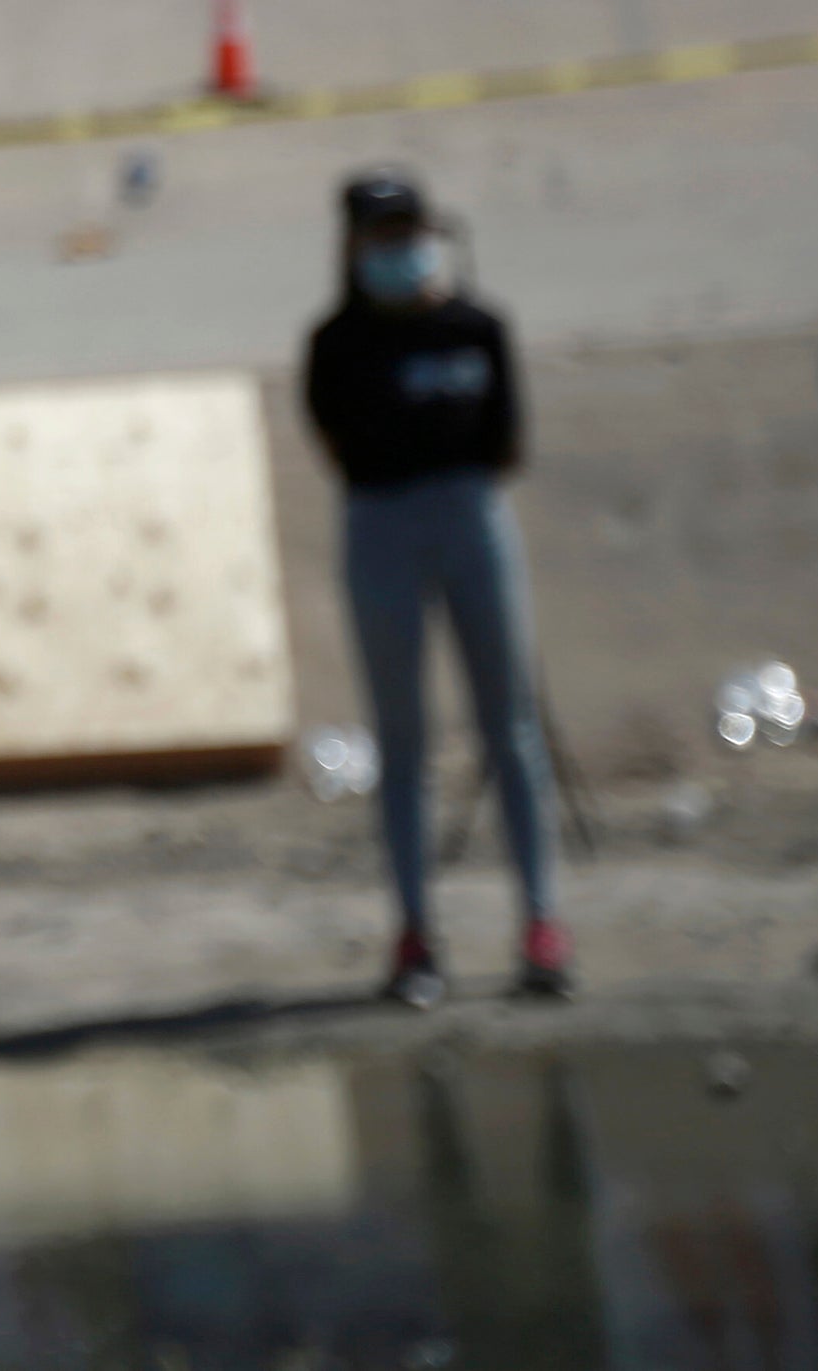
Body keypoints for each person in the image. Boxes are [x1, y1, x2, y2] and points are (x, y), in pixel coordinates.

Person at [300, 165, 571, 1008]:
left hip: (472, 514)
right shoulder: (335, 345)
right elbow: (338, 446)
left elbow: (505, 443)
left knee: (511, 726)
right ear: (351, 246)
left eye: (409, 233)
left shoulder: (477, 326)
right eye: (381, 236)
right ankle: (415, 932)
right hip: (381, 523)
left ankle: (541, 922)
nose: (399, 249)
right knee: (404, 737)